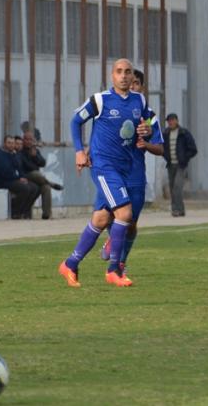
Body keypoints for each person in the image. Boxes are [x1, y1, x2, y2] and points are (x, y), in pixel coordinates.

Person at [58, 59, 154, 288]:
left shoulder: (139, 100)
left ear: (133, 78)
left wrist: (147, 131)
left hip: (127, 168)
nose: (123, 76)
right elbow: (75, 121)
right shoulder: (100, 100)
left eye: (127, 72)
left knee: (101, 219)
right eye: (119, 72)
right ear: (112, 76)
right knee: (124, 213)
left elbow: (146, 125)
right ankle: (114, 269)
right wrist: (79, 152)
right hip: (104, 166)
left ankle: (70, 264)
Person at [97, 69, 164, 268]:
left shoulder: (149, 116)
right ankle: (115, 262)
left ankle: (121, 258)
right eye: (129, 81)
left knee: (131, 224)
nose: (131, 85)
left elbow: (160, 149)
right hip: (112, 170)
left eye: (135, 83)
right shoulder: (110, 108)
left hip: (135, 172)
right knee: (108, 215)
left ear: (141, 87)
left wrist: (147, 145)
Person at [0, 136, 40, 219]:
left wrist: (23, 177)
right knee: (25, 188)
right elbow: (5, 172)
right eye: (9, 143)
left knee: (35, 188)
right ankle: (15, 211)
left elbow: (19, 168)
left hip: (13, 179)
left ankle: (24, 211)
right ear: (4, 143)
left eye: (12, 143)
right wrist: (18, 178)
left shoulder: (13, 154)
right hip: (3, 181)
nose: (11, 145)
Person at [19, 131, 63, 220]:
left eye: (30, 140)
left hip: (37, 178)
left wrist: (35, 156)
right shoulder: (21, 151)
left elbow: (43, 163)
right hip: (26, 175)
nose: (28, 142)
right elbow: (27, 165)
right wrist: (33, 160)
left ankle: (46, 214)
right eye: (26, 139)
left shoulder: (35, 151)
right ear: (23, 140)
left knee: (46, 187)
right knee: (36, 174)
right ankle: (52, 184)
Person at [162, 113, 197, 217]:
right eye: (169, 121)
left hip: (181, 165)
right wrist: (166, 156)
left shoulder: (184, 133)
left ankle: (177, 209)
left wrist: (185, 158)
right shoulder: (165, 134)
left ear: (177, 121)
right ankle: (178, 210)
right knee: (172, 188)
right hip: (170, 165)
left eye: (173, 120)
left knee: (177, 187)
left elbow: (193, 149)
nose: (171, 122)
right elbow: (162, 148)